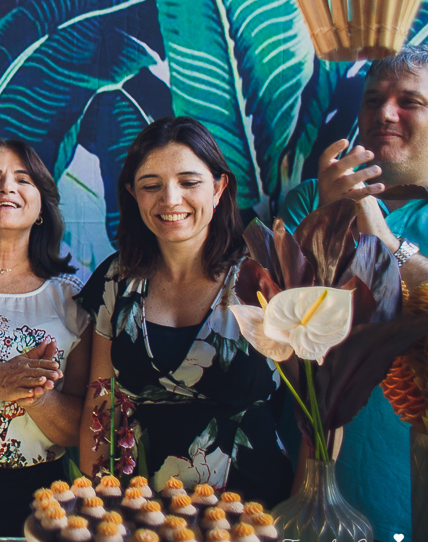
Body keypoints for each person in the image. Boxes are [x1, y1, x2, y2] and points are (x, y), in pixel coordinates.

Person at [277, 45, 428, 542]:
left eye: (409, 101)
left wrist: (382, 237)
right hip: (329, 491)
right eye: (374, 98)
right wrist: (328, 223)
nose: (385, 113)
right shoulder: (309, 200)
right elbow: (284, 334)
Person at [76, 117, 292, 505]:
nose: (170, 199)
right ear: (133, 194)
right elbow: (101, 404)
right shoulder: (116, 278)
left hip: (255, 509)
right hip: (140, 509)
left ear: (218, 188)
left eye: (189, 182)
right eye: (151, 185)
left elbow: (314, 412)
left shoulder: (264, 276)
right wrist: (97, 508)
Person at [0, 137, 92, 537]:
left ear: (41, 204)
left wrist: (38, 394)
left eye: (23, 179)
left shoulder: (73, 297)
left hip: (38, 496)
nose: (7, 187)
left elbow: (81, 429)